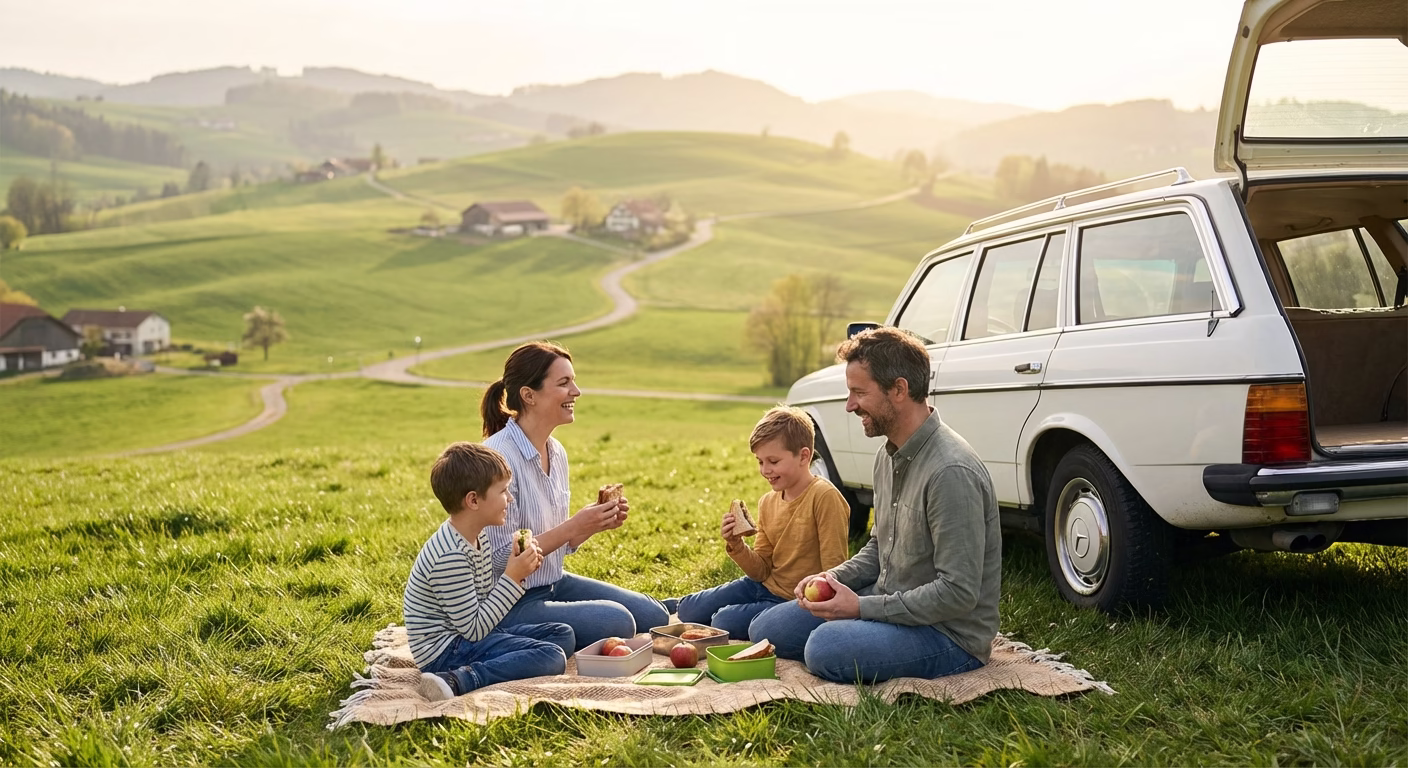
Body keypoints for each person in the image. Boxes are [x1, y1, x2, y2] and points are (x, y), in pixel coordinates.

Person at [747, 327, 1002, 684]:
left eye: (858, 393)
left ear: (898, 390)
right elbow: (881, 545)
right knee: (766, 627)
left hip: (947, 634)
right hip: (889, 601)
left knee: (824, 647)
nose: (850, 405)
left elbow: (958, 593)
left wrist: (860, 608)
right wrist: (833, 577)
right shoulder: (888, 455)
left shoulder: (950, 471)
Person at [481, 341, 670, 650]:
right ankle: (503, 637)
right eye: (564, 383)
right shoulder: (497, 459)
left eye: (574, 380)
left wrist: (589, 523)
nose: (577, 392)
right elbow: (501, 558)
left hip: (553, 583)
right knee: (618, 622)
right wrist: (573, 526)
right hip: (509, 599)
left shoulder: (557, 452)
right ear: (529, 395)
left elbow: (558, 546)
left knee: (655, 614)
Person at [405, 442, 575, 701]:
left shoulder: (477, 536)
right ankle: (458, 679)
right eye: (504, 491)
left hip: (470, 634)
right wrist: (513, 577)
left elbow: (482, 606)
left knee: (562, 634)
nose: (510, 498)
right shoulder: (450, 555)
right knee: (551, 656)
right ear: (473, 500)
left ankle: (490, 664)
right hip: (445, 651)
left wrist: (516, 567)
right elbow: (473, 630)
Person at [675, 406, 849, 638]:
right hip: (761, 585)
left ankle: (758, 616)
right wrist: (736, 545)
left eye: (773, 461)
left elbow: (834, 568)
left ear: (804, 456)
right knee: (687, 609)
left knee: (722, 619)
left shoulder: (824, 496)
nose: (765, 470)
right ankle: (668, 604)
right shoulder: (767, 501)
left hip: (792, 599)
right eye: (760, 462)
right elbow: (761, 571)